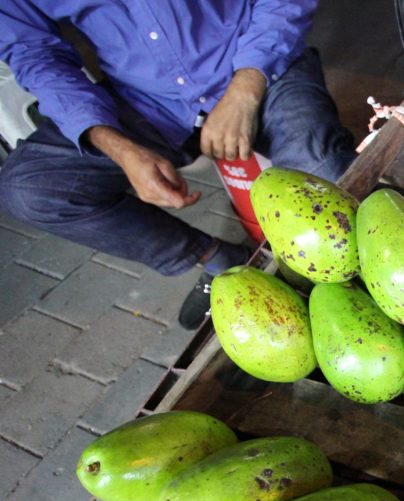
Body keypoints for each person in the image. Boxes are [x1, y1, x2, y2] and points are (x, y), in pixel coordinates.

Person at [0, 0, 358, 329]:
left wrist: (247, 85)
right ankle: (222, 261)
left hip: (261, 67)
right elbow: (34, 54)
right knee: (30, 189)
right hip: (151, 100)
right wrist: (117, 146)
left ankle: (352, 297)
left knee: (325, 189)